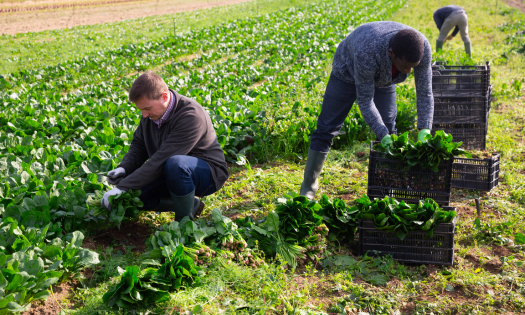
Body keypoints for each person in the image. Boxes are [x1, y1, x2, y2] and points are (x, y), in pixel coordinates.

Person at [299, 21, 433, 200]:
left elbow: (424, 93)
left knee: (388, 128)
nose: (409, 71)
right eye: (405, 67)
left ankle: (386, 189)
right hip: (346, 72)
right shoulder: (367, 52)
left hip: (384, 78)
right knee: (326, 128)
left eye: (412, 67)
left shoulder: (422, 48)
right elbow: (365, 101)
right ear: (391, 53)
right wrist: (382, 133)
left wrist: (424, 128)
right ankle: (308, 187)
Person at [101, 71, 229, 221]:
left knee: (176, 164)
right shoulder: (152, 115)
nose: (144, 115)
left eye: (147, 108)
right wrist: (124, 168)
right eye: (141, 109)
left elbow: (161, 160)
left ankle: (184, 223)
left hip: (207, 173)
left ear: (165, 97)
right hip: (168, 171)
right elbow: (139, 145)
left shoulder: (190, 115)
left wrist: (122, 187)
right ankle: (189, 204)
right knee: (133, 196)